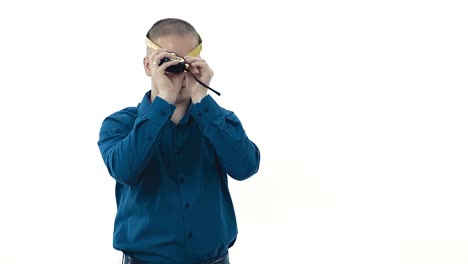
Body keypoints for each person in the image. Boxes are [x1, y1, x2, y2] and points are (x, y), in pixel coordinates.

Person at [97, 18, 261, 264]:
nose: (180, 72)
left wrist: (202, 98)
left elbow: (245, 168)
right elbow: (125, 170)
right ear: (148, 65)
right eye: (168, 62)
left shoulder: (218, 121)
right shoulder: (120, 125)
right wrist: (163, 101)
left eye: (188, 63)